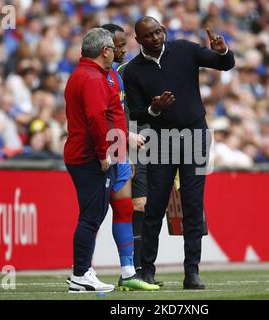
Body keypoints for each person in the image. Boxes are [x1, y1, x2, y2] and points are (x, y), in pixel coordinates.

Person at [123, 16, 235, 289]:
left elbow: (225, 64)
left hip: (195, 136)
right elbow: (136, 112)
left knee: (193, 206)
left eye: (159, 31)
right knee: (154, 207)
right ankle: (147, 271)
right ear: (138, 40)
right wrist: (155, 108)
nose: (157, 38)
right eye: (149, 35)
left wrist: (222, 50)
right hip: (161, 141)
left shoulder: (185, 49)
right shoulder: (132, 70)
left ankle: (192, 273)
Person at [64, 28, 127, 293]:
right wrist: (104, 153)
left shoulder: (82, 74)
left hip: (83, 153)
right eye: (113, 48)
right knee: (91, 217)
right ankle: (80, 273)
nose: (116, 52)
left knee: (92, 215)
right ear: (105, 51)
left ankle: (81, 270)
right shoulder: (92, 78)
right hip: (90, 156)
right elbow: (97, 119)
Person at [100, 23, 159, 291]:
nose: (125, 49)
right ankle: (130, 270)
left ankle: (137, 269)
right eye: (119, 45)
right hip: (120, 149)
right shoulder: (113, 75)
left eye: (125, 44)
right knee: (131, 206)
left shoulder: (120, 74)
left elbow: (130, 113)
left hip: (134, 146)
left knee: (140, 205)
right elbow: (112, 116)